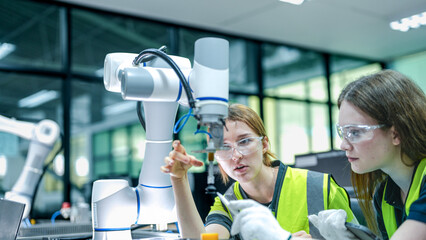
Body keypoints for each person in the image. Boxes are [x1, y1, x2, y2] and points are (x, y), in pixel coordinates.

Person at [161, 103, 357, 240]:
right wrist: (178, 179)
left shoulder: (319, 186)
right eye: (223, 147)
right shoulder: (228, 204)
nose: (235, 155)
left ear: (264, 144)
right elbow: (202, 239)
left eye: (244, 141)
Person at [333, 69, 425, 239]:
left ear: (396, 133)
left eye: (355, 132)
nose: (343, 145)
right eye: (342, 132)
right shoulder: (384, 195)